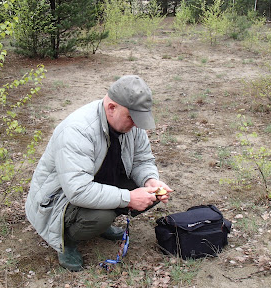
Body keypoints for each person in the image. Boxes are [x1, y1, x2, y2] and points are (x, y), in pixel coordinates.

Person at [25, 75, 172, 271]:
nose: (137, 125)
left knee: (149, 193)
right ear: (112, 108)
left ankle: (102, 225)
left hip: (98, 183)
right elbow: (77, 190)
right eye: (132, 118)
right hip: (58, 201)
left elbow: (142, 160)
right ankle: (66, 241)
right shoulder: (77, 131)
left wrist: (151, 180)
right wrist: (128, 198)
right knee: (100, 216)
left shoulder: (130, 125)